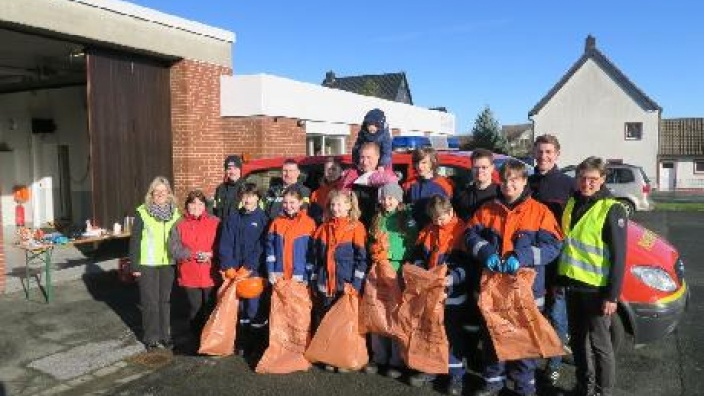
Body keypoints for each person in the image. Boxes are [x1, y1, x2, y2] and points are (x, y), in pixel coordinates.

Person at [465, 160, 563, 396]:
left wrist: (523, 256)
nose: (509, 185)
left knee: (524, 339)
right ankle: (493, 382)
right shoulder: (487, 209)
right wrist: (486, 251)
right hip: (495, 289)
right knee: (493, 336)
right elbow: (468, 235)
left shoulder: (540, 212)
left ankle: (524, 387)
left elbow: (554, 246)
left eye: (515, 180)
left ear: (524, 181)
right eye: (505, 180)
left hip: (527, 290)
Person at [558, 156, 627, 396]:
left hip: (597, 290)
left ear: (603, 180)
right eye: (583, 178)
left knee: (601, 346)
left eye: (593, 179)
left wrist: (612, 295)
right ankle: (584, 387)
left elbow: (620, 256)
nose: (587, 183)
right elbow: (568, 245)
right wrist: (560, 280)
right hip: (572, 286)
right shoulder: (572, 202)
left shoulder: (611, 208)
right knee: (577, 342)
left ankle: (602, 392)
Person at [527, 134, 576, 387]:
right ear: (534, 154)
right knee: (533, 314)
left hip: (557, 264)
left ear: (557, 154)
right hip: (530, 263)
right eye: (539, 152)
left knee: (557, 317)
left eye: (548, 152)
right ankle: (530, 361)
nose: (543, 156)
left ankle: (554, 365)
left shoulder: (568, 185)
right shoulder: (528, 183)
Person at [408, 195, 469, 396]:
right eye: (434, 218)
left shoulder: (462, 231)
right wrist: (420, 271)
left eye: (441, 218)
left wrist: (453, 279)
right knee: (430, 331)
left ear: (450, 211)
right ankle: (431, 369)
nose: (438, 222)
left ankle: (456, 376)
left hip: (452, 295)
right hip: (430, 292)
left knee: (452, 335)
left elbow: (467, 264)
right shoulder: (428, 230)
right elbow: (417, 254)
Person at [364, 182, 417, 379]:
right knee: (377, 312)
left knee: (395, 314)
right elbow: (370, 240)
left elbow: (411, 244)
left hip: (396, 271)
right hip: (378, 270)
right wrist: (374, 251)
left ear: (399, 199)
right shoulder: (377, 218)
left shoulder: (406, 219)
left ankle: (396, 359)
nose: (387, 202)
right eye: (385, 198)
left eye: (391, 198)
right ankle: (379, 356)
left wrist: (392, 254)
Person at [312, 189, 368, 372]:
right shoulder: (322, 228)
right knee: (327, 320)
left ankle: (343, 357)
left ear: (349, 206)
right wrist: (314, 279)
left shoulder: (356, 228)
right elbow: (315, 258)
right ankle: (329, 355)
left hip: (345, 285)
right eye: (333, 205)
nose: (336, 208)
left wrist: (356, 284)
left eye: (340, 204)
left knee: (344, 324)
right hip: (325, 283)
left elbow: (362, 260)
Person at [129, 176, 182, 351]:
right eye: (156, 191)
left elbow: (180, 238)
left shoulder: (175, 213)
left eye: (163, 191)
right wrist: (134, 265)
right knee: (150, 302)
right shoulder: (142, 212)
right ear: (151, 194)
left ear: (169, 194)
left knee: (165, 301)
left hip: (168, 263)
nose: (160, 194)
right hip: (147, 263)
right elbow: (135, 240)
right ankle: (151, 337)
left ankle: (165, 336)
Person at [219, 183, 269, 357]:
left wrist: (248, 267)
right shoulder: (233, 217)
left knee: (254, 308)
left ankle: (258, 343)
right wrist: (228, 266)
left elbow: (262, 246)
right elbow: (225, 243)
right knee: (240, 308)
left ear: (257, 198)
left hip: (253, 271)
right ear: (241, 197)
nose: (248, 199)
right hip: (235, 271)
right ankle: (242, 341)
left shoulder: (263, 218)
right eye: (245, 196)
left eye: (251, 196)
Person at [168, 190, 220, 345]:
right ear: (187, 205)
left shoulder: (216, 222)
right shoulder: (178, 224)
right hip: (189, 273)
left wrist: (211, 254)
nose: (196, 206)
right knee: (195, 309)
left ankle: (212, 341)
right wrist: (192, 254)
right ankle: (197, 340)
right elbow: (174, 249)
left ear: (205, 206)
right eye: (193, 203)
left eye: (200, 203)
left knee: (211, 308)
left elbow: (223, 244)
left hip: (211, 272)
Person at [266, 188, 317, 285]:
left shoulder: (309, 223)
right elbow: (270, 250)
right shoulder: (277, 222)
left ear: (300, 202)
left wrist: (308, 276)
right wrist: (270, 271)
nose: (288, 206)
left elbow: (312, 253)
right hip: (279, 276)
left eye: (292, 202)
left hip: (299, 277)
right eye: (285, 202)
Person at [341, 142, 397, 225]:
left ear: (378, 157)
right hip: (356, 225)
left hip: (380, 225)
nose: (365, 162)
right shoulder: (352, 176)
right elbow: (342, 198)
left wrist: (369, 178)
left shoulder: (386, 176)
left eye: (369, 157)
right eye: (362, 157)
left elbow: (392, 181)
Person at [404, 147, 454, 229]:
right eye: (417, 163)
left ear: (433, 162)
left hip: (435, 233)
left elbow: (448, 214)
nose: (419, 166)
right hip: (413, 234)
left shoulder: (444, 185)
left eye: (424, 163)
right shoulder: (409, 184)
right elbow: (405, 209)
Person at [454, 148, 500, 222]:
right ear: (472, 168)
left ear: (492, 168)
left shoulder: (500, 194)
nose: (479, 171)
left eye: (484, 167)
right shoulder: (462, 194)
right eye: (476, 167)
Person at [309, 157, 343, 224]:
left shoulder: (344, 189)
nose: (330, 172)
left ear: (341, 171)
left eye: (334, 169)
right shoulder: (316, 193)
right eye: (328, 169)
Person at [213, 155, 246, 220]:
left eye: (235, 168)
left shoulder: (246, 188)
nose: (232, 172)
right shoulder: (220, 189)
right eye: (229, 169)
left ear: (240, 170)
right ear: (225, 171)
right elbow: (215, 211)